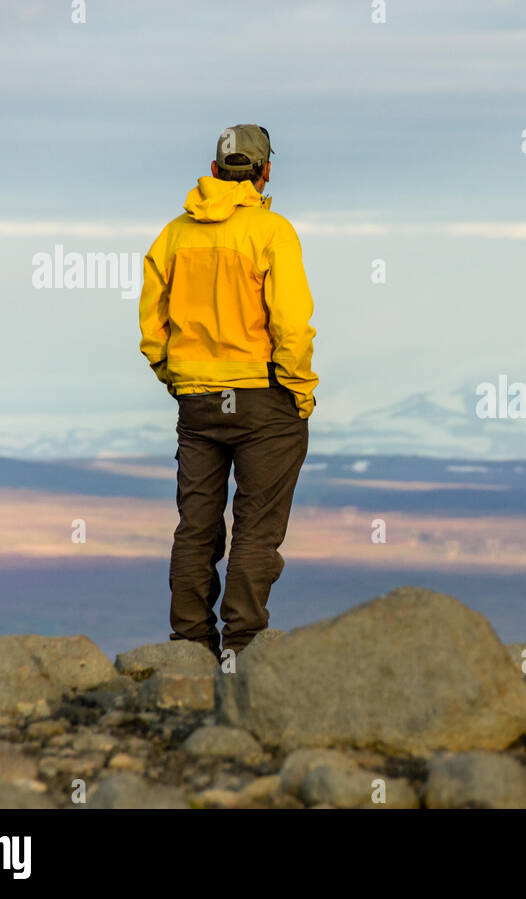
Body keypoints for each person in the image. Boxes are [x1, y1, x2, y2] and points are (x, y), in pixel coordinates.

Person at [137, 124, 317, 659]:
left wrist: (177, 378)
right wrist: (300, 392)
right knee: (256, 532)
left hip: (197, 402)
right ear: (264, 172)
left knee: (196, 527)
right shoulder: (271, 231)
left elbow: (153, 328)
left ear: (215, 171)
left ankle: (189, 647)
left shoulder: (173, 235)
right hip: (264, 399)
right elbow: (292, 325)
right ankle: (242, 651)